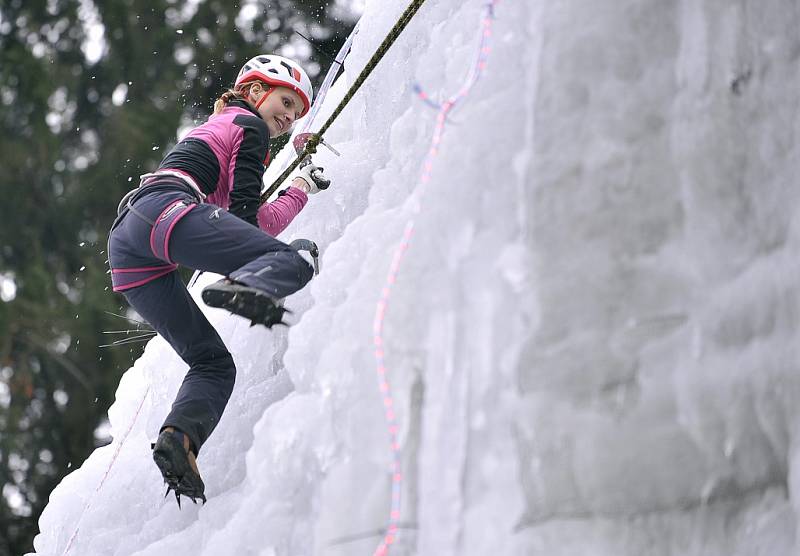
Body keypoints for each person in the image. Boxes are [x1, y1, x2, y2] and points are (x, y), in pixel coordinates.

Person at [107, 54, 328, 506]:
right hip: (164, 209)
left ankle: (179, 440)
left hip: (130, 249)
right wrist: (295, 191)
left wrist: (299, 187)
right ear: (252, 93)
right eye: (285, 102)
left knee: (213, 364)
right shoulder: (247, 128)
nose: (287, 117)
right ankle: (244, 285)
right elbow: (249, 220)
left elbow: (251, 224)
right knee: (299, 259)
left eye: (296, 114)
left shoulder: (225, 130)